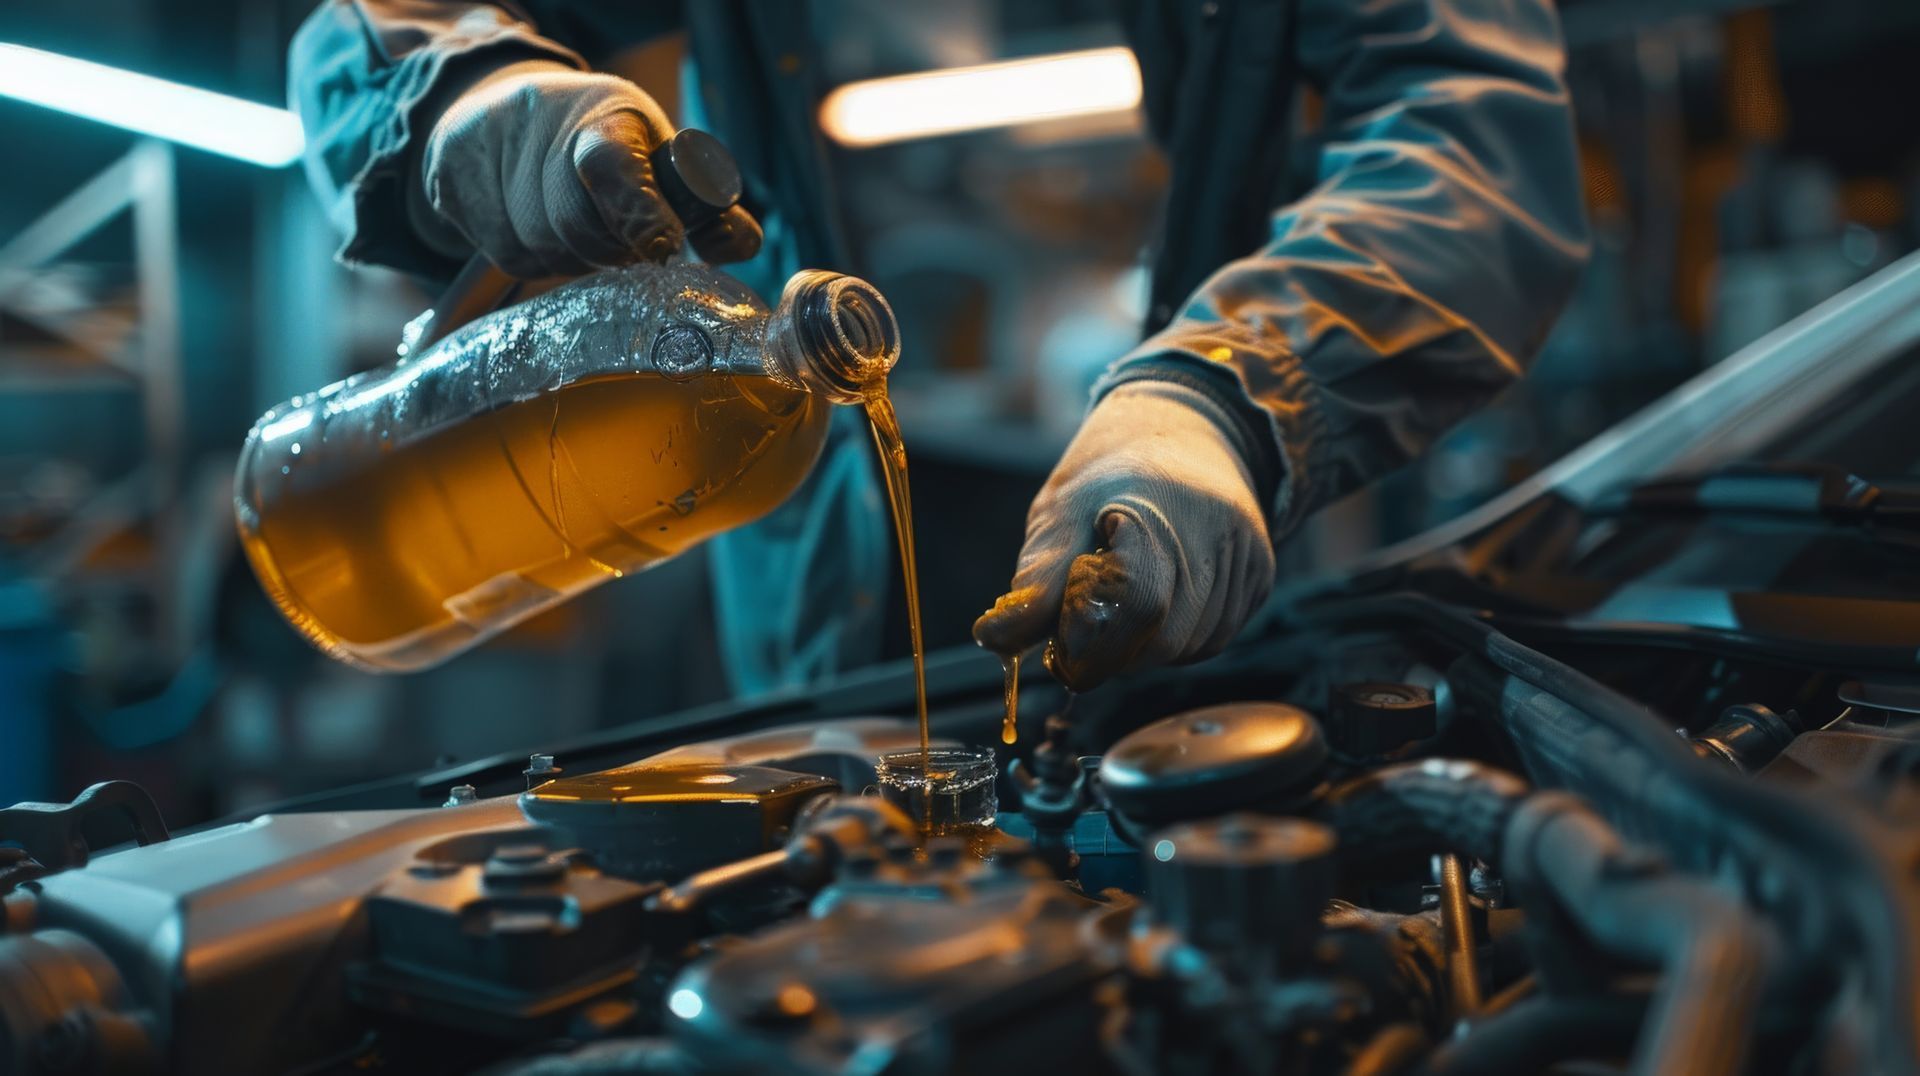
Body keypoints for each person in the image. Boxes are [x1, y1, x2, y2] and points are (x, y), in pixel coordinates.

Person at [289, 0, 1588, 696]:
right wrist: (467, 89)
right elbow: (378, 24)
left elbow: (1471, 148)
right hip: (815, 625)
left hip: (1211, 542)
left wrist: (1223, 400)